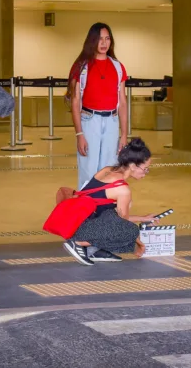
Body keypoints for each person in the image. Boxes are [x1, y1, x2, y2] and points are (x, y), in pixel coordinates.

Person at [63, 137, 160, 265]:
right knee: (130, 231)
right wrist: (140, 244)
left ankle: (93, 250)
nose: (145, 173)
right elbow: (122, 224)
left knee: (115, 210)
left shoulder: (107, 170)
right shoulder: (123, 190)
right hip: (81, 230)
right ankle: (78, 243)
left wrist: (143, 218)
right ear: (132, 166)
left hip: (73, 221)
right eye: (145, 168)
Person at [67, 23, 128, 190]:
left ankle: (105, 212)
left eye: (107, 38)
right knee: (88, 171)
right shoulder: (81, 66)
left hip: (112, 122)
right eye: (100, 38)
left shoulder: (118, 67)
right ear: (92, 40)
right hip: (89, 121)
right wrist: (79, 133)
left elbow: (122, 102)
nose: (104, 43)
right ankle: (86, 212)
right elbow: (75, 101)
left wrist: (124, 135)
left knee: (109, 171)